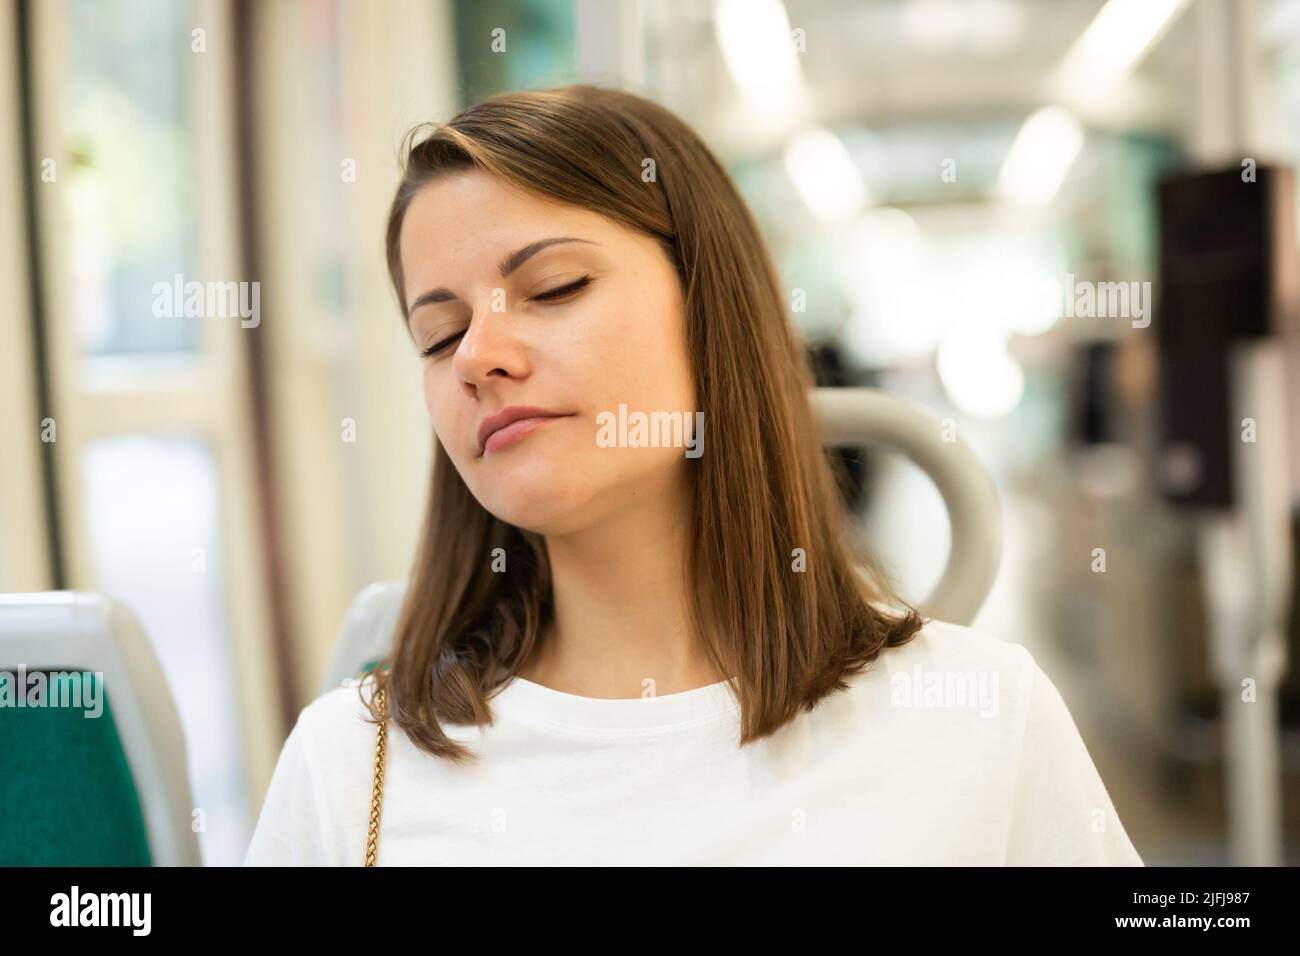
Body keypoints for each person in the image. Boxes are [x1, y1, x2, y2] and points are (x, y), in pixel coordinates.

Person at [243, 84, 1142, 866]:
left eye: (554, 287)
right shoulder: (348, 765)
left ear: (713, 309)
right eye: (438, 334)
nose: (478, 355)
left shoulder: (981, 715)